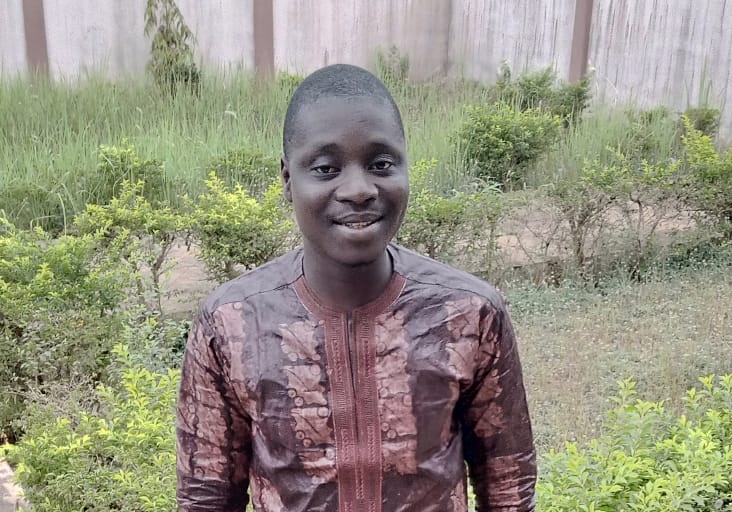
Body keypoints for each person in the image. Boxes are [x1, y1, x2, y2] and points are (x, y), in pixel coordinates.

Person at [176, 63, 536, 512]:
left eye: (381, 164)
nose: (359, 189)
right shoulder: (231, 323)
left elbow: (508, 484)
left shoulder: (469, 313)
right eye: (326, 168)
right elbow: (206, 497)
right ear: (288, 179)